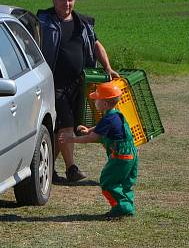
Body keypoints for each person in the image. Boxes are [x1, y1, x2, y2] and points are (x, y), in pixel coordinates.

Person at [37, 0, 120, 183]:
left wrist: (107, 67)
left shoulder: (83, 23)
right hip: (54, 85)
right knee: (66, 126)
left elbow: (96, 45)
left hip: (79, 84)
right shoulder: (43, 23)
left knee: (65, 129)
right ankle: (71, 169)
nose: (67, 3)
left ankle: (46, 169)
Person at [58, 81, 138, 219]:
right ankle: (127, 207)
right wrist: (89, 129)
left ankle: (119, 209)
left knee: (108, 182)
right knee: (125, 182)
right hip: (131, 154)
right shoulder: (116, 114)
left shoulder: (109, 119)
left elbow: (92, 138)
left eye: (96, 99)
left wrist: (71, 139)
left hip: (121, 157)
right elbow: (102, 127)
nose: (94, 101)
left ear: (105, 104)